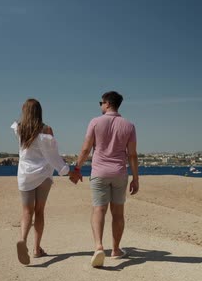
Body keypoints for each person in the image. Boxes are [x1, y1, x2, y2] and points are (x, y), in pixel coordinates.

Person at [72, 91, 139, 267]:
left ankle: (99, 246)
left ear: (108, 103)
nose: (100, 105)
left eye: (101, 102)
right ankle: (116, 249)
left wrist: (77, 168)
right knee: (118, 213)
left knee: (98, 210)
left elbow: (86, 149)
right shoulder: (129, 126)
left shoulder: (95, 122)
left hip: (99, 173)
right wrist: (136, 178)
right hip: (119, 173)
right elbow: (132, 155)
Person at [11, 99, 81, 265]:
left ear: (24, 111)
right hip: (43, 174)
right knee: (40, 211)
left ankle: (22, 239)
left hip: (25, 174)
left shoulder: (19, 129)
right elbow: (53, 156)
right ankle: (36, 249)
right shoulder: (46, 130)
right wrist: (68, 172)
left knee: (27, 211)